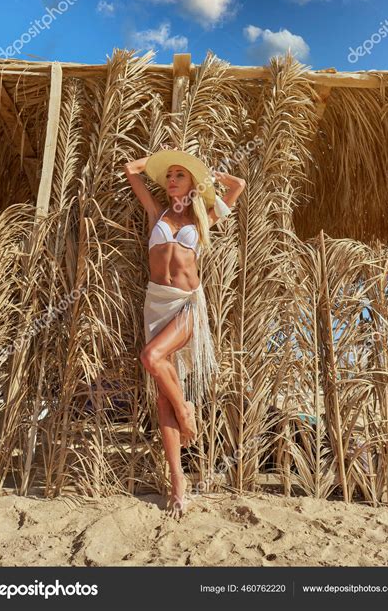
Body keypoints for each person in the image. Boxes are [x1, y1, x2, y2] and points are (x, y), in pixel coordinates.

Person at [123, 144, 246, 517]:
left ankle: (186, 411)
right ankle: (178, 484)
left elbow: (237, 185)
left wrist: (208, 174)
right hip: (156, 303)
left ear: (192, 183)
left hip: (188, 304)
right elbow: (132, 169)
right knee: (161, 397)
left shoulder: (202, 220)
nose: (173, 180)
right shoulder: (155, 212)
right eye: (170, 176)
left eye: (180, 175)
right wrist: (164, 158)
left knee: (150, 357)